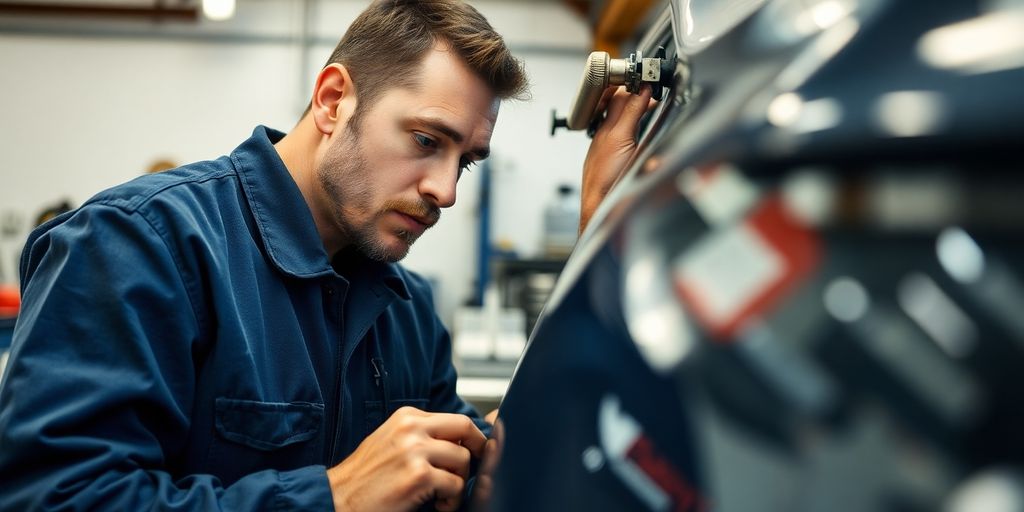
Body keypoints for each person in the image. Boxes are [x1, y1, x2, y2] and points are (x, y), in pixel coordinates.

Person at [0, 0, 654, 510]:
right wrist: (333, 497)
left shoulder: (408, 308)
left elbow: (474, 478)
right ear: (334, 99)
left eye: (467, 162)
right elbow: (53, 497)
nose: (446, 190)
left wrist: (602, 232)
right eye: (427, 139)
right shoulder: (139, 246)